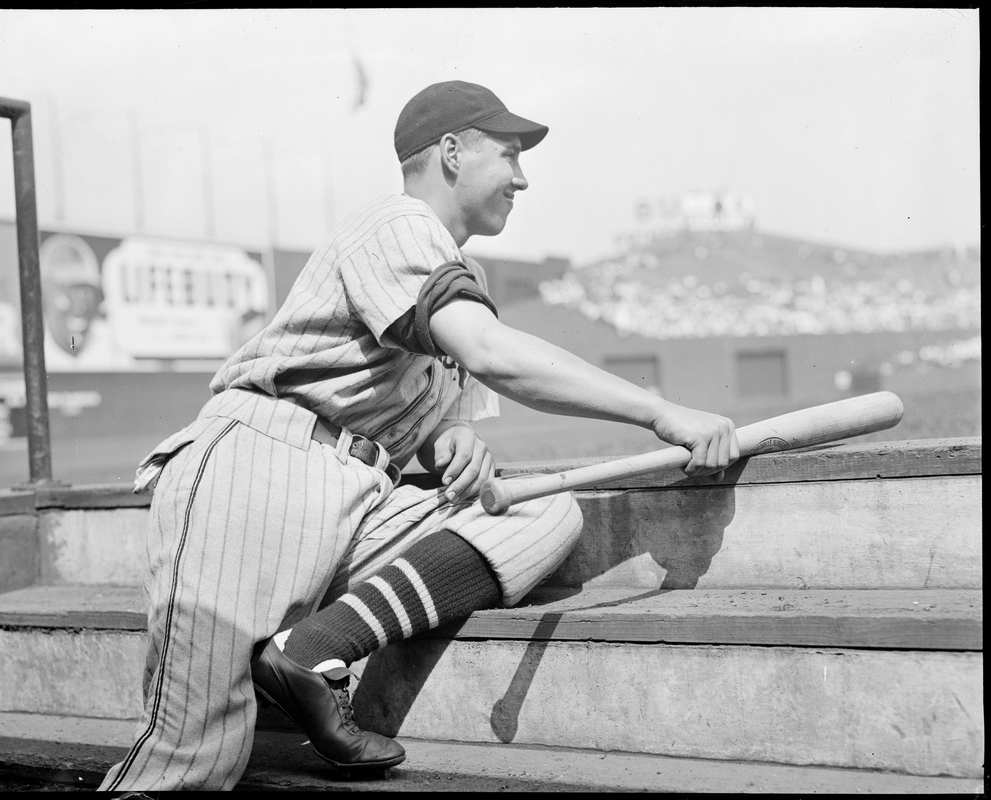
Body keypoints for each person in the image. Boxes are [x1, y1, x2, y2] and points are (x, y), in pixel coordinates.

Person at [99, 79, 739, 793]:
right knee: (187, 764)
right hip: (262, 468)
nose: (522, 177)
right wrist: (659, 411)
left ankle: (310, 653)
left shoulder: (459, 268)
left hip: (362, 492)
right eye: (509, 154)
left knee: (538, 509)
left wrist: (446, 444)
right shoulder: (395, 223)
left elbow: (427, 415)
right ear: (452, 152)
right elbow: (492, 355)